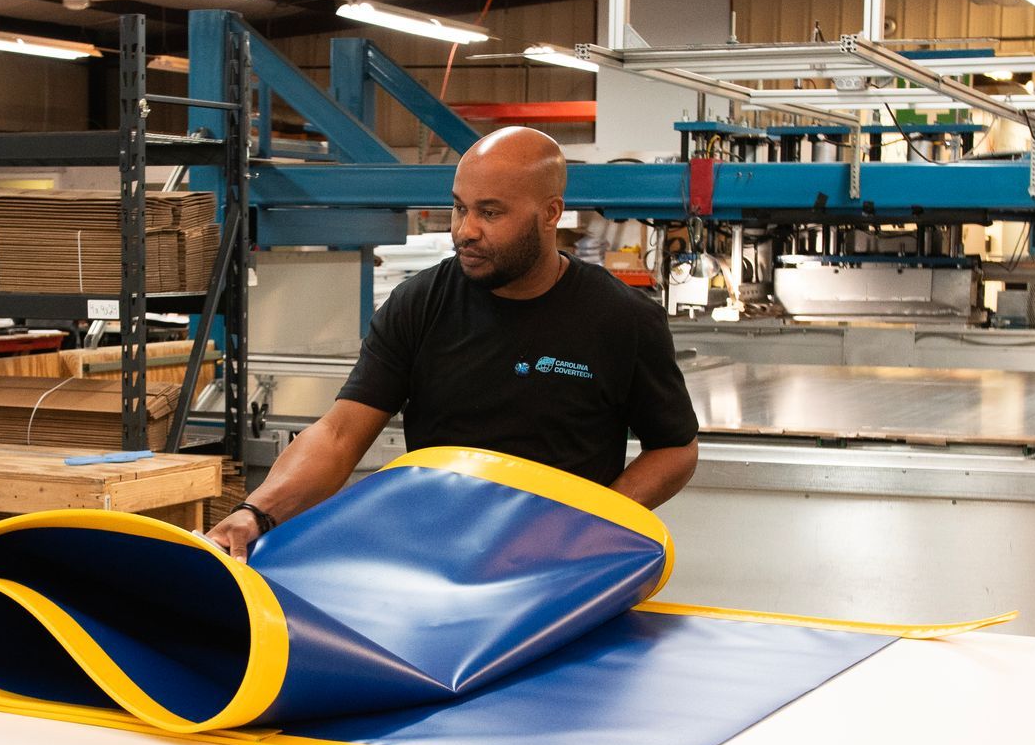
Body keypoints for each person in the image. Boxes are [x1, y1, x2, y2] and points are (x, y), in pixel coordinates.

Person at [205, 126, 700, 559]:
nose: (465, 231)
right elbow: (338, 436)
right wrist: (256, 512)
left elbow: (675, 448)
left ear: (550, 214)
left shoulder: (622, 319)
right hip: (436, 560)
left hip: (562, 565)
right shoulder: (419, 305)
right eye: (459, 208)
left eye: (490, 212)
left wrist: (592, 524)